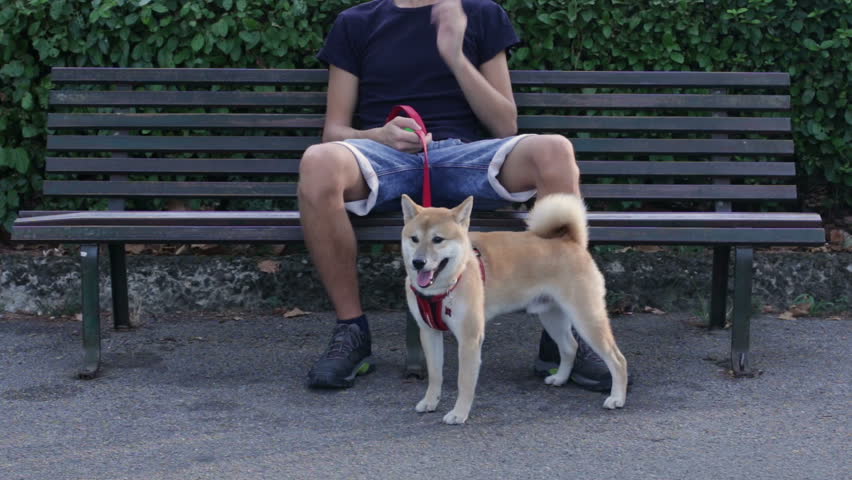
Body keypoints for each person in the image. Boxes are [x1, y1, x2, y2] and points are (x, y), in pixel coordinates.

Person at [298, 0, 612, 391]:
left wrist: (454, 55)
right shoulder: (355, 22)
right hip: (386, 156)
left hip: (465, 154)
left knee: (555, 151)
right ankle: (352, 331)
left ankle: (563, 335)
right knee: (317, 162)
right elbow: (335, 131)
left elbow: (504, 123)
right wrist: (379, 135)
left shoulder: (481, 14)